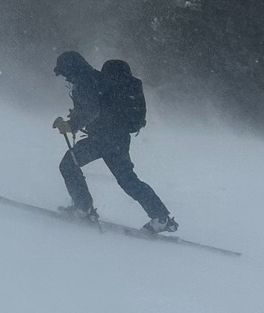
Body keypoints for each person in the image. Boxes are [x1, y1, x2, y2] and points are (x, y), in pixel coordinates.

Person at [51, 50, 177, 233]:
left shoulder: (85, 80)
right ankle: (161, 217)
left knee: (69, 164)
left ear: (71, 68)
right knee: (127, 179)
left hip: (102, 139)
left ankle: (83, 208)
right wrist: (77, 119)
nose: (66, 78)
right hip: (118, 138)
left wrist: (71, 125)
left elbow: (92, 109)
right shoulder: (95, 79)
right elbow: (98, 108)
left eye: (65, 73)